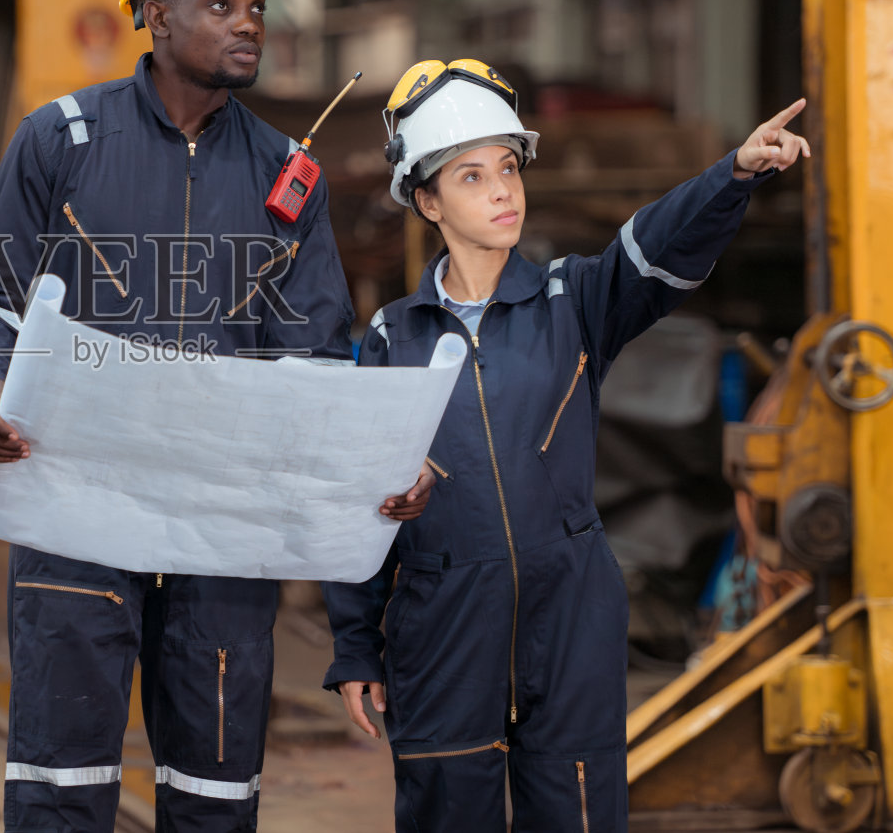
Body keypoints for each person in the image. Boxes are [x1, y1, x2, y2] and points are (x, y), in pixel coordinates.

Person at [0, 0, 420, 832]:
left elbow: (317, 357)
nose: (250, 24)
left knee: (213, 796)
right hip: (74, 508)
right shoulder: (60, 142)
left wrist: (362, 466)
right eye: (220, 2)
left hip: (223, 532)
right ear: (153, 12)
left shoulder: (288, 177)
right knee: (60, 789)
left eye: (256, 5)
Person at [321, 58, 808, 833]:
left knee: (578, 813)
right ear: (427, 200)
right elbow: (355, 505)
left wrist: (733, 175)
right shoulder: (390, 340)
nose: (503, 190)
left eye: (508, 168)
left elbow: (655, 244)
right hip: (443, 625)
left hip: (570, 613)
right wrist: (354, 646)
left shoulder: (571, 302)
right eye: (472, 176)